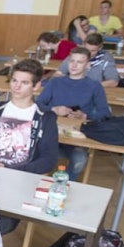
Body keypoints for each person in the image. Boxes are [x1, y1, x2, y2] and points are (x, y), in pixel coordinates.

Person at [0, 58, 58, 234]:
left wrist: (18, 169)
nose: (16, 87)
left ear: (36, 86)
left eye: (24, 83)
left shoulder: (45, 118)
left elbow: (49, 158)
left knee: (3, 223)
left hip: (19, 177)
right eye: (14, 81)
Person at [36, 47, 112, 181]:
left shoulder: (94, 86)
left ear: (88, 65)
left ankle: (61, 185)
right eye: (72, 61)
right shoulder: (55, 82)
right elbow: (38, 104)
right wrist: (54, 109)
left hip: (76, 135)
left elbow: (104, 112)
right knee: (39, 156)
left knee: (79, 161)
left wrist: (85, 116)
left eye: (80, 62)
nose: (74, 65)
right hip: (51, 132)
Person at [55, 33, 120, 88]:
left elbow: (113, 82)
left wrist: (88, 86)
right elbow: (59, 73)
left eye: (93, 51)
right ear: (83, 45)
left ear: (100, 47)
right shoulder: (76, 54)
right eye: (87, 49)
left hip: (93, 91)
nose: (89, 53)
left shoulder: (106, 59)